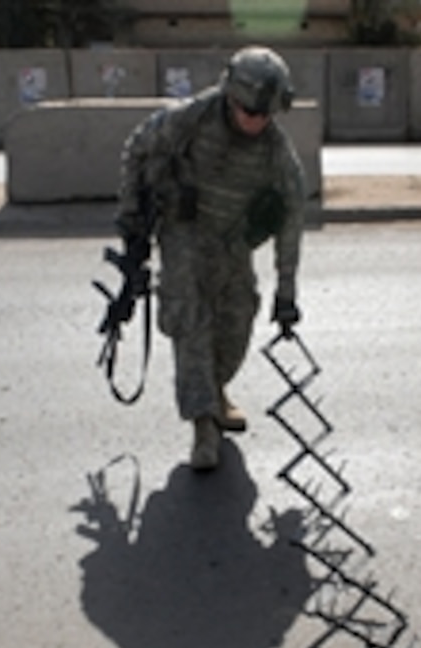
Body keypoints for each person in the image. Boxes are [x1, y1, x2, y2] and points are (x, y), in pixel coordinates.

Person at [114, 45, 306, 471]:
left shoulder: (275, 149)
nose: (257, 122)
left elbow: (293, 216)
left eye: (266, 115)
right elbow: (137, 147)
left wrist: (287, 292)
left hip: (233, 243)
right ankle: (203, 426)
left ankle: (217, 392)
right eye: (250, 113)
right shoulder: (192, 117)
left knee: (238, 321)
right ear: (231, 97)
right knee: (192, 326)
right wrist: (130, 219)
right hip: (185, 234)